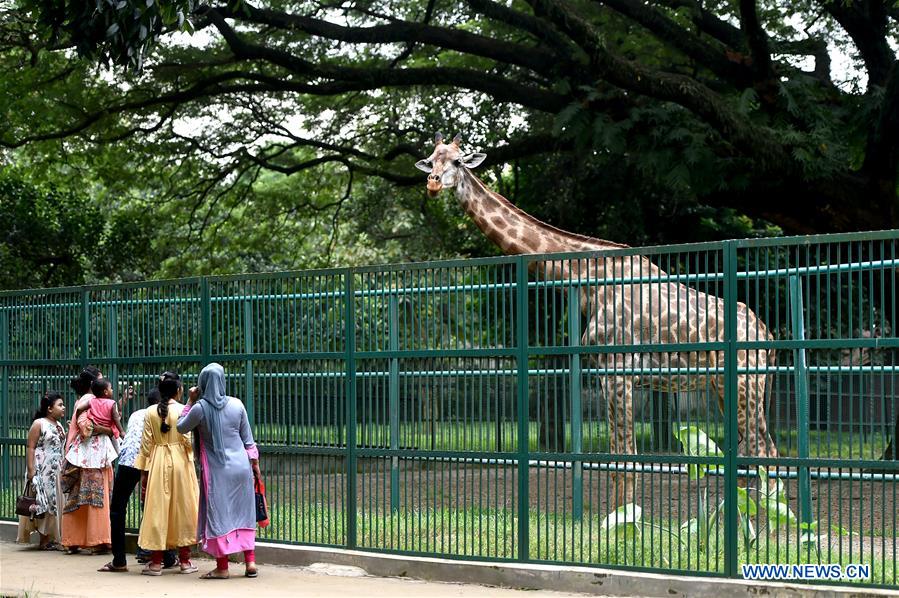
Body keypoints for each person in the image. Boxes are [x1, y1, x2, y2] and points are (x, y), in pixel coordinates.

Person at [177, 363, 261, 579]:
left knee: (218, 514)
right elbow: (248, 441)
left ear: (202, 383)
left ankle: (222, 566)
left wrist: (189, 400)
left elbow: (180, 427)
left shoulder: (200, 408)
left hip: (217, 472)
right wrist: (256, 467)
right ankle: (250, 562)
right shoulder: (237, 404)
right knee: (244, 512)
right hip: (242, 468)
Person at [99, 380, 177, 573]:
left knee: (117, 509)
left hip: (128, 461)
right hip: (152, 461)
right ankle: (166, 556)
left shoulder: (136, 414)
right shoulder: (164, 413)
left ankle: (119, 560)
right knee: (157, 507)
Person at [134, 372, 199, 576]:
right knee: (184, 508)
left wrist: (144, 472)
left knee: (157, 510)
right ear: (179, 391)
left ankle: (155, 563)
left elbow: (146, 445)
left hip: (158, 462)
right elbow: (188, 441)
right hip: (180, 462)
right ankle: (185, 562)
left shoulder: (150, 412)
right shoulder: (184, 410)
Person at [61, 367, 117, 555]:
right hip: (90, 457)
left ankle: (73, 540)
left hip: (89, 456)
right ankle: (98, 541)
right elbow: (86, 428)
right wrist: (108, 430)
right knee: (95, 498)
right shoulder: (89, 401)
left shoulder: (89, 400)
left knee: (80, 499)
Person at [17, 392, 66, 550]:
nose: (63, 407)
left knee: (54, 501)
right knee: (43, 502)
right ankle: (43, 539)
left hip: (56, 469)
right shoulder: (39, 423)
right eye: (60, 405)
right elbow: (30, 447)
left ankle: (52, 537)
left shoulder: (59, 425)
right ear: (50, 409)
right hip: (41, 469)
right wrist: (31, 471)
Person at [65, 379, 120, 469]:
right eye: (111, 388)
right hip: (102, 444)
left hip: (88, 443)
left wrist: (78, 420)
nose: (112, 390)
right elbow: (115, 421)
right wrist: (120, 431)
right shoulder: (110, 403)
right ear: (105, 391)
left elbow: (79, 409)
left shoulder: (90, 401)